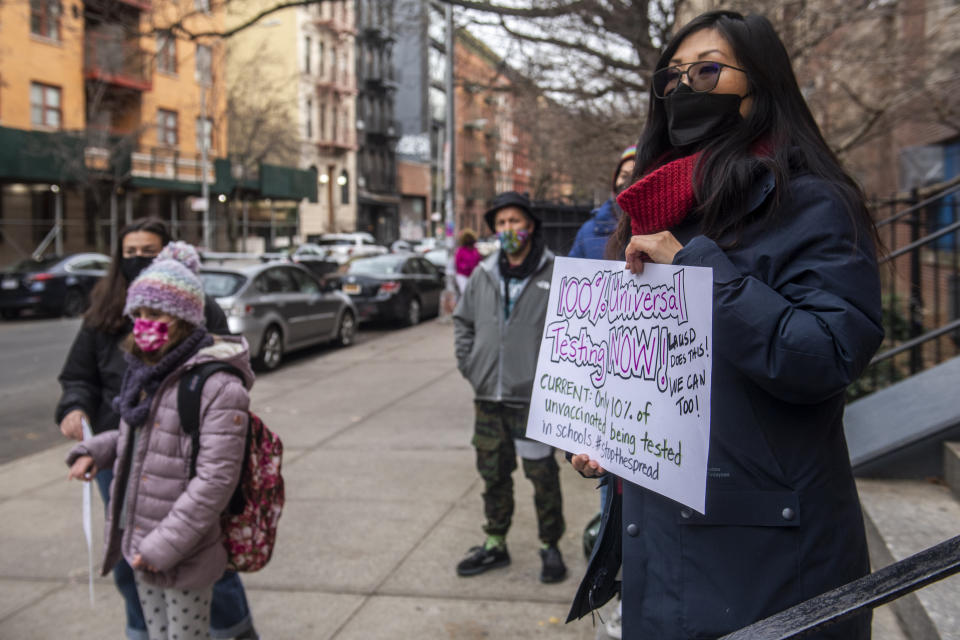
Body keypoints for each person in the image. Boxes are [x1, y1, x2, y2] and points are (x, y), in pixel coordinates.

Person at [567, 10, 884, 640]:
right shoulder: (651, 214)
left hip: (765, 561)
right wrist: (611, 433)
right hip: (663, 545)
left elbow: (826, 354)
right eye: (674, 76)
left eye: (708, 71)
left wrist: (695, 271)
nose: (685, 89)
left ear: (761, 86)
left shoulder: (811, 201)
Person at [55, 219, 259, 640]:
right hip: (137, 497)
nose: (144, 325)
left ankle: (237, 633)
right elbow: (131, 426)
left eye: (147, 252)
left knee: (200, 595)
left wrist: (162, 546)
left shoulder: (211, 381)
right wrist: (94, 443)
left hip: (183, 518)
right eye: (139, 316)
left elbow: (214, 480)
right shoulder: (144, 366)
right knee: (146, 597)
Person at [453, 191, 567, 584]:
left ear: (530, 225)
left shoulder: (555, 273)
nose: (508, 230)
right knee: (493, 474)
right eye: (501, 224)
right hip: (488, 398)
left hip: (533, 401)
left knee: (542, 476)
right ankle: (495, 542)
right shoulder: (484, 274)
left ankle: (550, 546)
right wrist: (470, 365)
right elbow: (463, 322)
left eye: (515, 221)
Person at [567, 144, 636, 260]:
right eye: (624, 176)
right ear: (615, 180)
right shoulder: (588, 231)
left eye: (635, 176)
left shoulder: (663, 233)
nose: (628, 182)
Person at [453, 228, 482, 294]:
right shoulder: (460, 251)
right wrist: (466, 266)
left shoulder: (475, 250)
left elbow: (479, 262)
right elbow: (457, 263)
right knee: (466, 293)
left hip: (474, 275)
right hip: (463, 276)